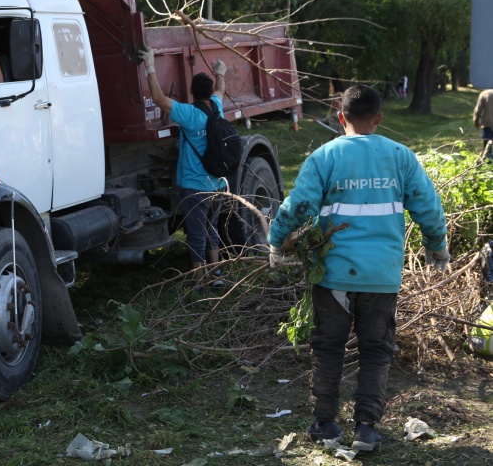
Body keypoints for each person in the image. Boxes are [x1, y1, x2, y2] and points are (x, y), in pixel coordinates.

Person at [267, 84, 449, 452]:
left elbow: (299, 205)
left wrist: (276, 240)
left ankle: (326, 425)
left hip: (333, 273)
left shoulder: (324, 156)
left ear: (340, 117)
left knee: (329, 347)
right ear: (379, 118)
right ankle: (366, 429)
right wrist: (437, 247)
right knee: (376, 350)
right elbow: (428, 207)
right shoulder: (400, 157)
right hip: (381, 276)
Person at [138, 44, 227, 288]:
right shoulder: (217, 108)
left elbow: (158, 99)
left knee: (197, 233)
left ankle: (199, 281)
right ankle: (216, 275)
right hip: (217, 183)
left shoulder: (189, 114)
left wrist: (150, 66)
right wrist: (221, 71)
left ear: (191, 91)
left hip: (194, 185)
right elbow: (221, 88)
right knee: (213, 229)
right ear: (209, 93)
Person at [473, 88, 493, 161]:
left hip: (488, 124)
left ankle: (489, 164)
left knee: (488, 149)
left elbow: (478, 111)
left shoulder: (484, 94)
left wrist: (476, 123)